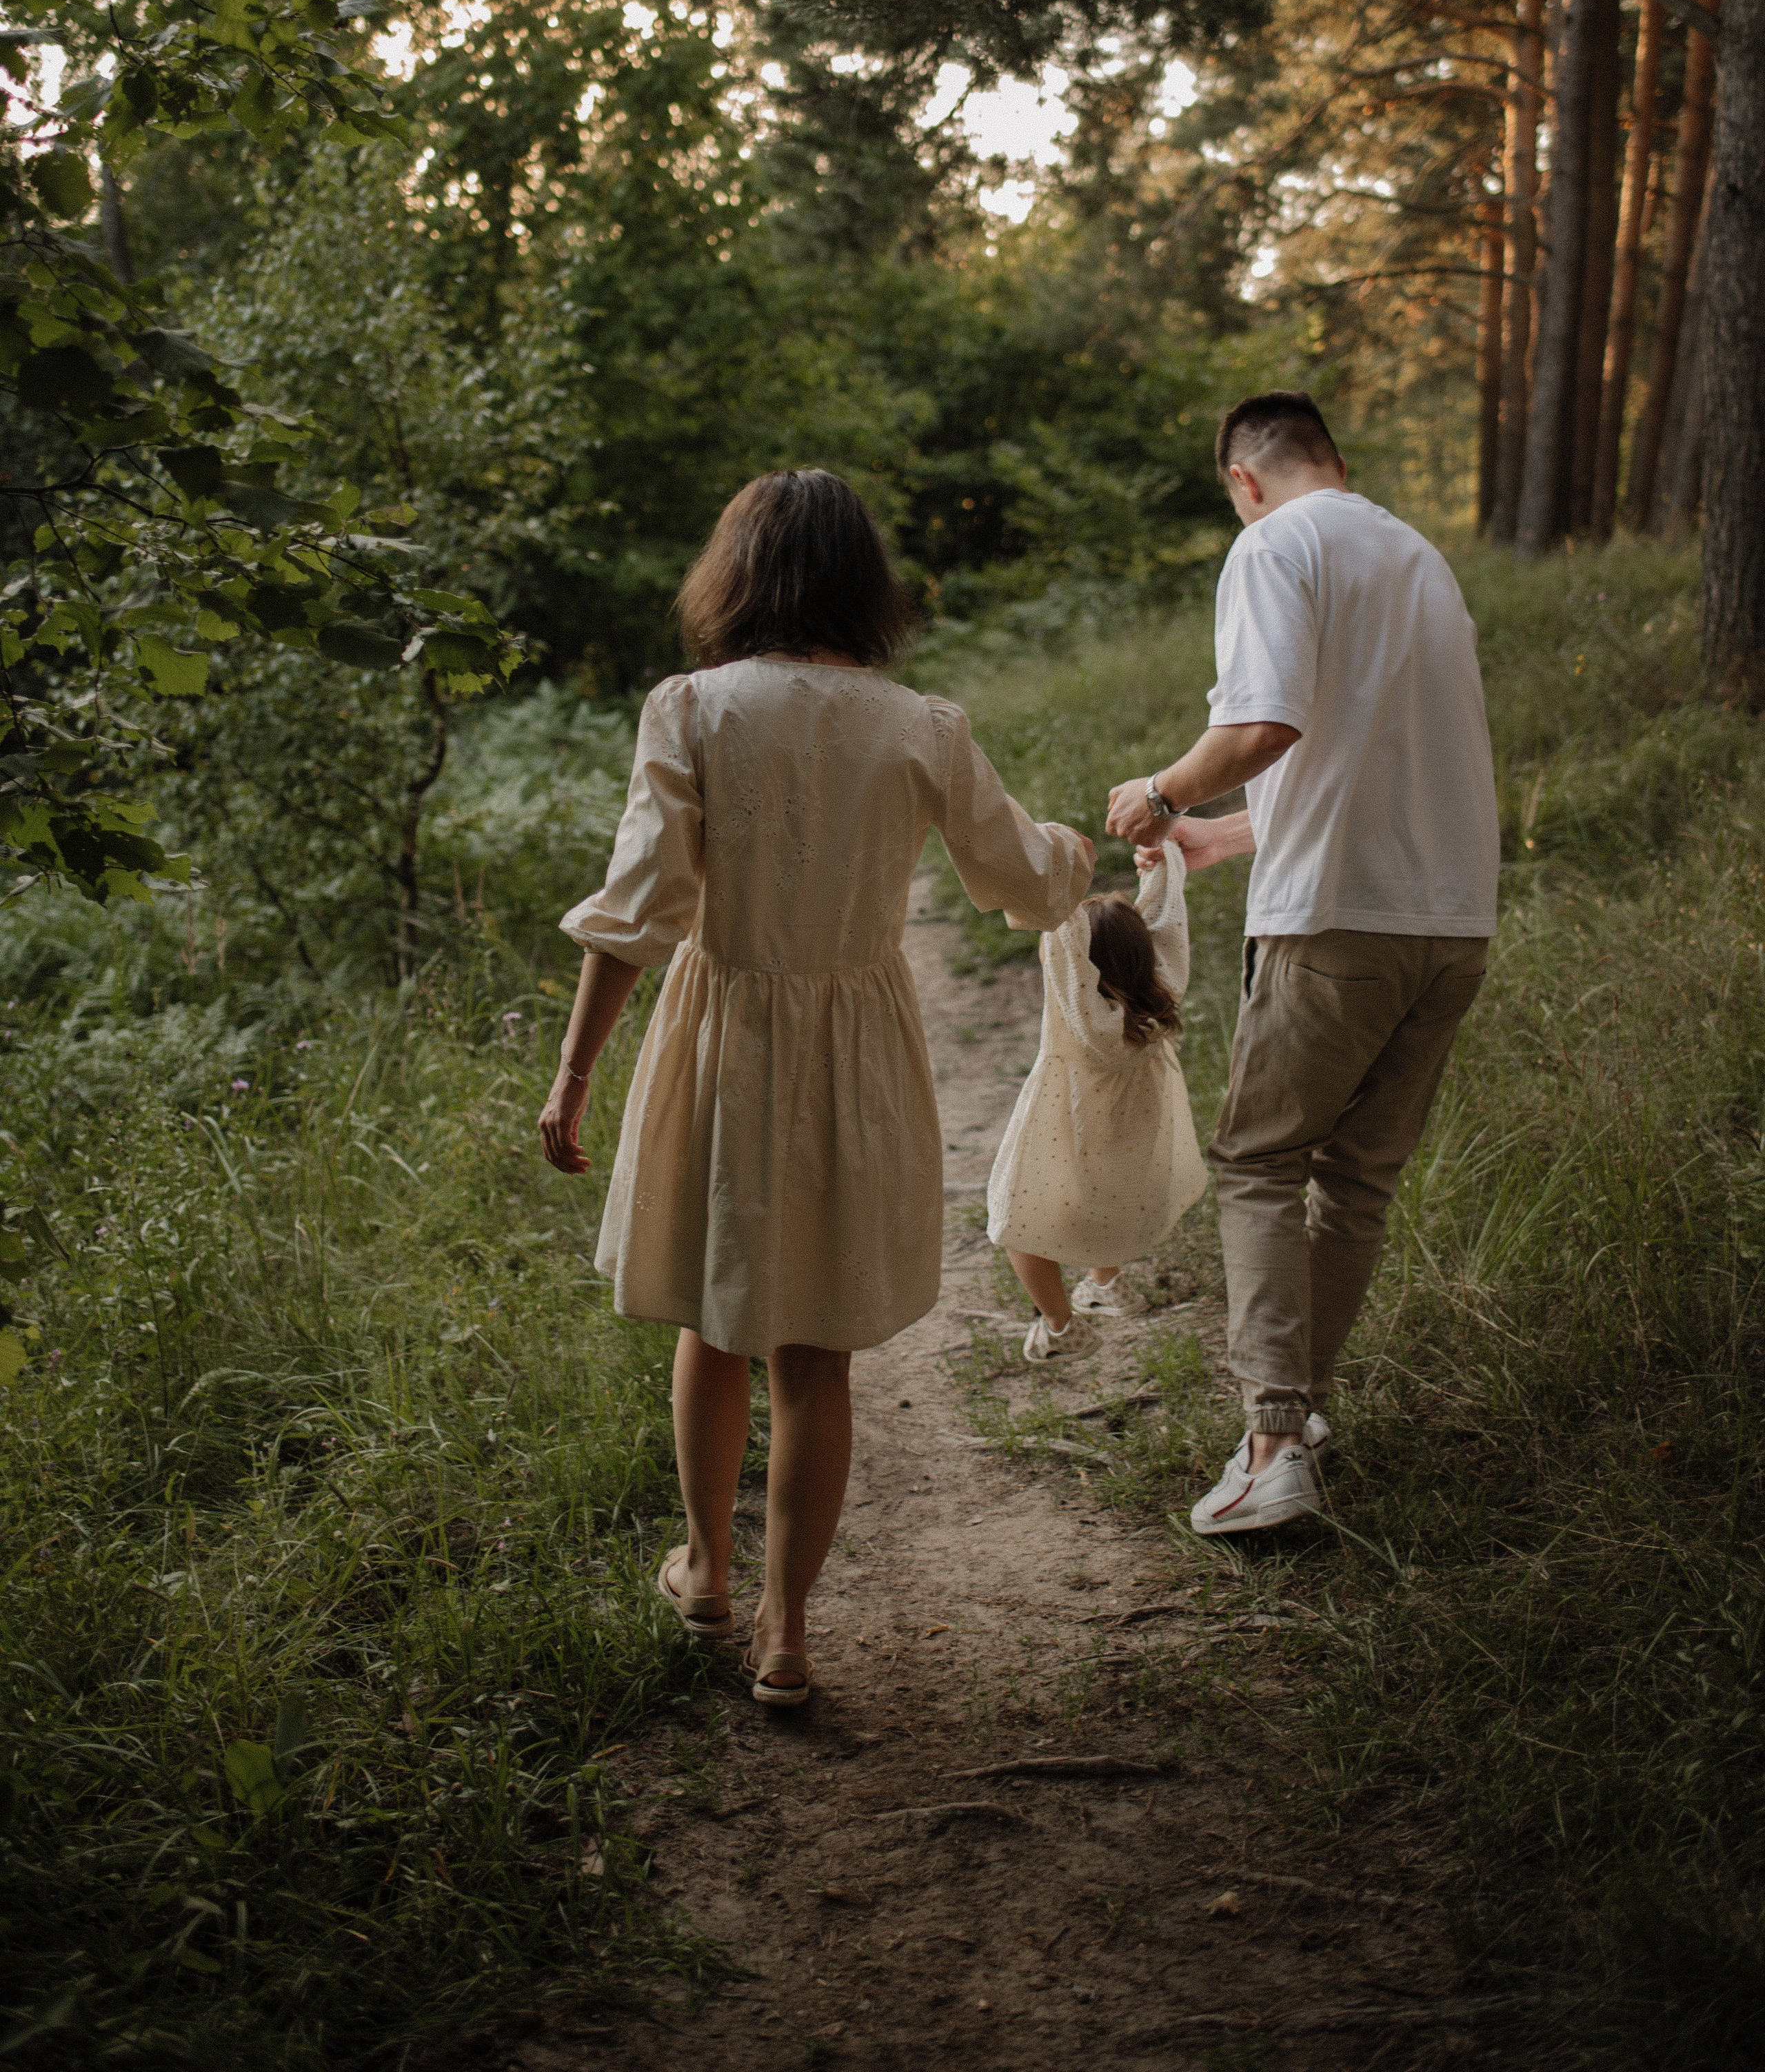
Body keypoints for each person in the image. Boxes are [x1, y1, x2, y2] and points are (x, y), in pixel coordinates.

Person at [538, 469, 1093, 1705]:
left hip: (721, 1032)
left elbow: (637, 912)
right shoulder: (921, 724)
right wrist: (1087, 848)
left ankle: (708, 1571)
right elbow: (1021, 875)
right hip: (859, 1051)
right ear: (865, 584)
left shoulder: (687, 707)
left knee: (715, 1317)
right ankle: (789, 1636)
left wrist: (576, 1071)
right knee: (816, 1350)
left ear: (733, 576)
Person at [1105, 390, 1499, 1534]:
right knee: (1355, 1179)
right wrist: (1223, 836)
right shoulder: (1416, 553)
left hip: (1337, 923)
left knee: (1259, 1160)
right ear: (1335, 458)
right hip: (1452, 921)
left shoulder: (1273, 543)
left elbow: (1268, 720)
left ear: (1242, 480)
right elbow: (1362, 751)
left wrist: (1163, 790)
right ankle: (1297, 1416)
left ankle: (1274, 1441)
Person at [987, 851, 1207, 1360]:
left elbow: (1067, 953)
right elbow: (1167, 923)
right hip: (1131, 1134)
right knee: (1111, 1204)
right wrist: (1161, 866)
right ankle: (1107, 1287)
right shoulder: (1162, 987)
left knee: (1015, 1221)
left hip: (1068, 1125)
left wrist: (1057, 888)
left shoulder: (1086, 1020)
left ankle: (1062, 1326)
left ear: (1073, 964)